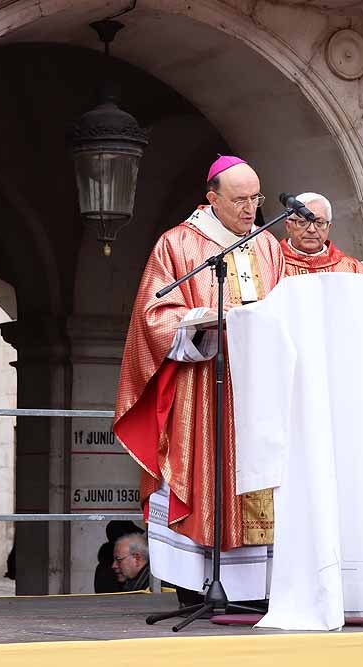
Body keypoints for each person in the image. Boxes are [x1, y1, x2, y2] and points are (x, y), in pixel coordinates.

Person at [113, 155, 286, 603]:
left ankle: (256, 589)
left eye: (256, 199)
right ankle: (197, 585)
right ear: (212, 199)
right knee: (202, 472)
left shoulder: (267, 246)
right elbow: (151, 316)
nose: (250, 209)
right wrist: (198, 320)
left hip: (259, 390)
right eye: (240, 200)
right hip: (201, 388)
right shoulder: (179, 245)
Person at [280, 192, 363, 276]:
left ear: (328, 228)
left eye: (319, 222)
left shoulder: (351, 268)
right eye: (302, 222)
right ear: (288, 226)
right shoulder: (275, 266)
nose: (312, 229)